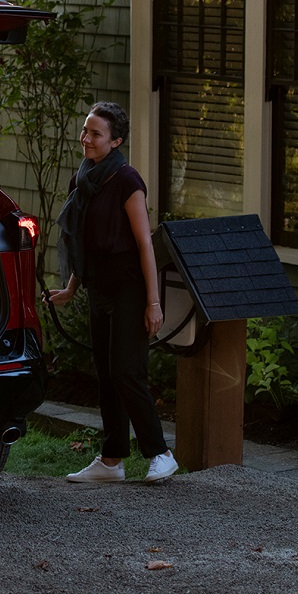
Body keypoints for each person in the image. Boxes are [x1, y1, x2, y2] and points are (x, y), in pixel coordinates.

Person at [46, 101, 178, 483]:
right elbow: (81, 242)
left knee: (126, 370)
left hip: (130, 286)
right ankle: (111, 461)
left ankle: (161, 453)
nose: (86, 139)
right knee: (105, 374)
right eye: (85, 131)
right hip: (98, 286)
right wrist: (71, 288)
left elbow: (145, 245)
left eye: (96, 133)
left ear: (116, 140)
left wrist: (153, 303)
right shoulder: (83, 177)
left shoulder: (127, 180)